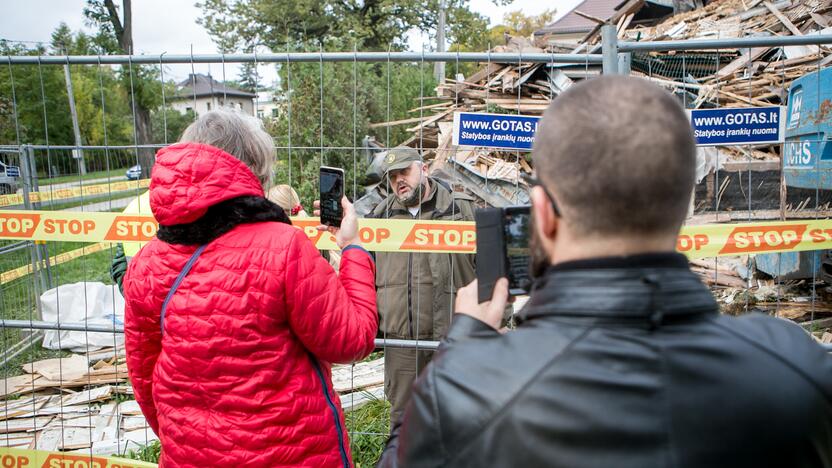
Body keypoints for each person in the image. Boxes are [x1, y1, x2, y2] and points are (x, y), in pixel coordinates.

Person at [378, 76, 832, 467]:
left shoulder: (465, 390)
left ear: (544, 215)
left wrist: (459, 348)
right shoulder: (796, 370)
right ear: (689, 206)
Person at [122, 109, 378, 467]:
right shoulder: (284, 247)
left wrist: (189, 439)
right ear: (255, 166)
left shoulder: (146, 263)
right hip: (292, 453)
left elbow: (144, 376)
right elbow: (352, 340)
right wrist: (351, 248)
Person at [369, 145, 477, 426]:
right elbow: (361, 268)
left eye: (405, 171)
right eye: (392, 177)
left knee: (457, 421)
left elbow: (492, 269)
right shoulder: (381, 217)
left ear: (424, 169)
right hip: (401, 343)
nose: (399, 181)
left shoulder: (460, 210)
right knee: (404, 423)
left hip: (453, 340)